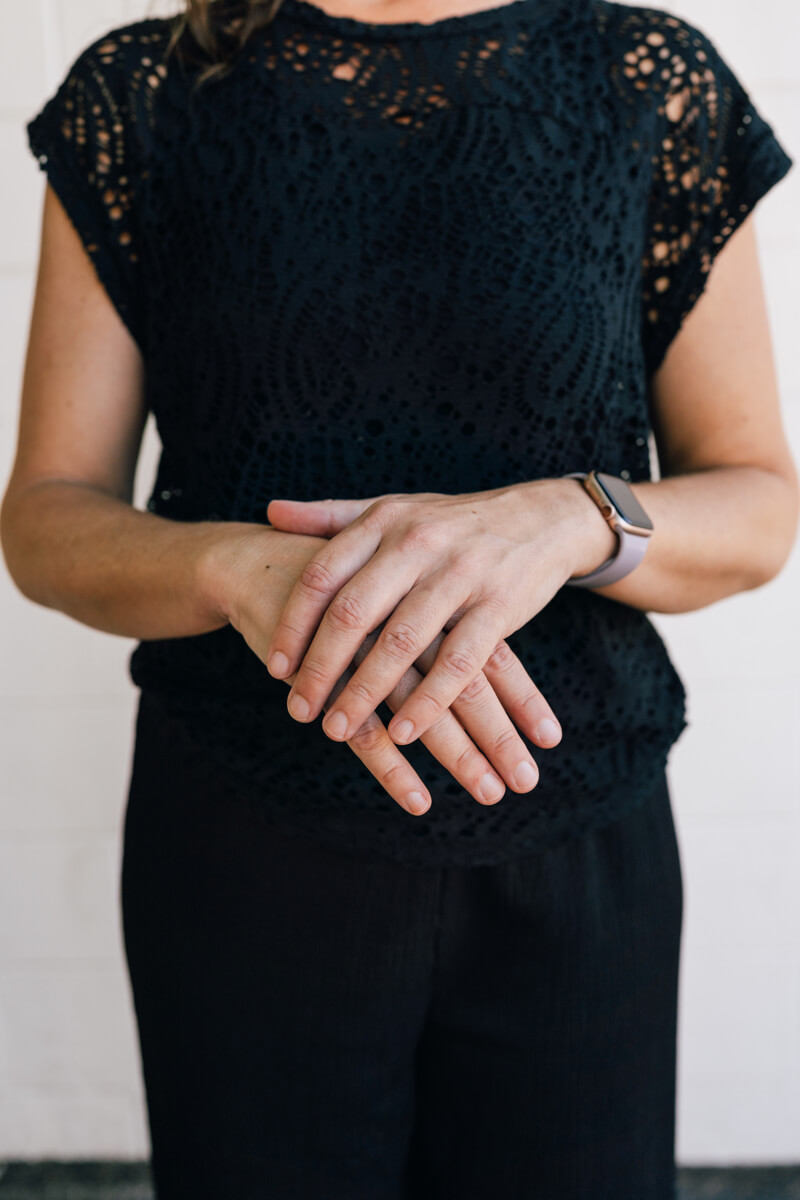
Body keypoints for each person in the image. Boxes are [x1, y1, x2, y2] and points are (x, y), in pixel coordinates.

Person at [1, 0, 797, 1194]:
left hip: (578, 839)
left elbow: (756, 502)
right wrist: (233, 568)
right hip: (240, 846)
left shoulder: (646, 80)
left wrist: (573, 516)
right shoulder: (142, 92)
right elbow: (46, 515)